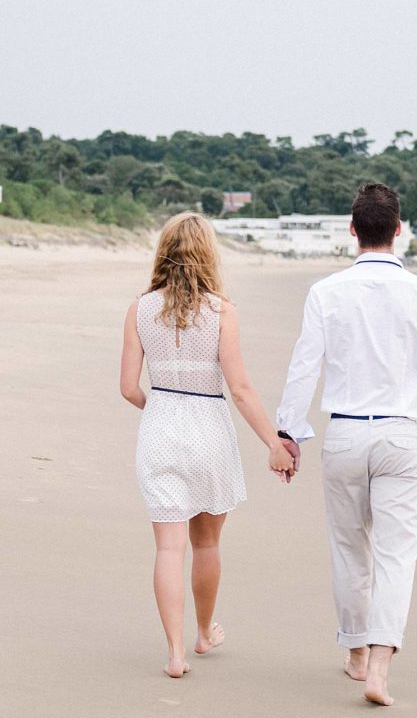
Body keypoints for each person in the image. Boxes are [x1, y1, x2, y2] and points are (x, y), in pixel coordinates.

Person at [276, 183, 417, 706]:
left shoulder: (326, 292)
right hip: (401, 437)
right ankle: (380, 669)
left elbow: (304, 366)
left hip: (343, 433)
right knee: (396, 555)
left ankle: (356, 652)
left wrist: (288, 431)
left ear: (351, 230)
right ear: (399, 230)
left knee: (348, 549)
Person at [120, 212, 294, 678]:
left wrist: (158, 411)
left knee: (168, 549)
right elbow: (240, 389)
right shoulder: (221, 311)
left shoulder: (140, 308)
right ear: (208, 253)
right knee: (207, 543)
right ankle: (202, 632)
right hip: (209, 431)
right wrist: (273, 443)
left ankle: (175, 654)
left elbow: (128, 388)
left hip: (160, 429)